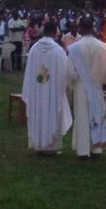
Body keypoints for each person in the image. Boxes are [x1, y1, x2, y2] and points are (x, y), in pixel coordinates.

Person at [66, 18, 106, 159]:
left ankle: (82, 151)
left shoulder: (75, 48)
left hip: (81, 87)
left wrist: (75, 80)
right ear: (92, 28)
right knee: (96, 117)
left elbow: (70, 71)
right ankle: (96, 149)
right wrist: (102, 79)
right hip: (96, 86)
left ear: (80, 29)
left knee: (82, 117)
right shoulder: (102, 46)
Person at [21, 21, 72, 154]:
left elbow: (30, 71)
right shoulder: (58, 51)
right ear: (55, 32)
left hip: (37, 91)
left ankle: (38, 144)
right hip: (52, 91)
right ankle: (51, 147)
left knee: (39, 113)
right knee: (52, 113)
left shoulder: (34, 49)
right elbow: (65, 71)